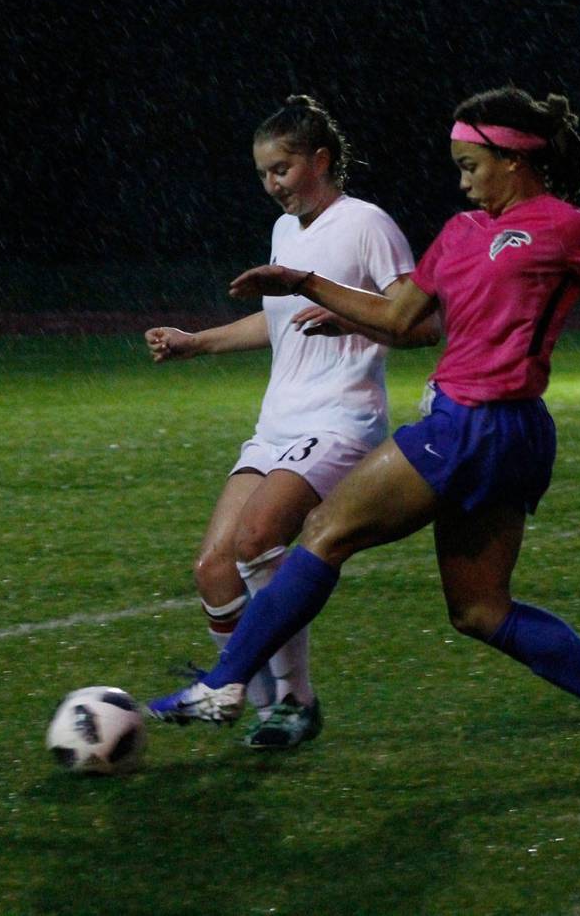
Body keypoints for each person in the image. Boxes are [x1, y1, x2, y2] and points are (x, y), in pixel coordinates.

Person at [147, 85, 580, 766]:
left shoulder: (567, 225)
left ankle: (224, 683)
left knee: (323, 532)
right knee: (478, 609)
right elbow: (403, 317)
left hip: (482, 423)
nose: (461, 179)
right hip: (484, 430)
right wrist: (305, 284)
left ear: (513, 158)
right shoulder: (460, 233)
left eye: (470, 164)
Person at [145, 94, 438, 749]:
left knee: (257, 538)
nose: (271, 184)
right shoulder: (285, 234)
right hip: (278, 421)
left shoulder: (367, 224)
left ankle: (294, 702)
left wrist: (345, 314)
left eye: (281, 168)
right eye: (262, 174)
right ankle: (254, 704)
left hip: (342, 419)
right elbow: (277, 323)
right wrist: (199, 341)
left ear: (321, 160)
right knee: (213, 568)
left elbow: (420, 323)